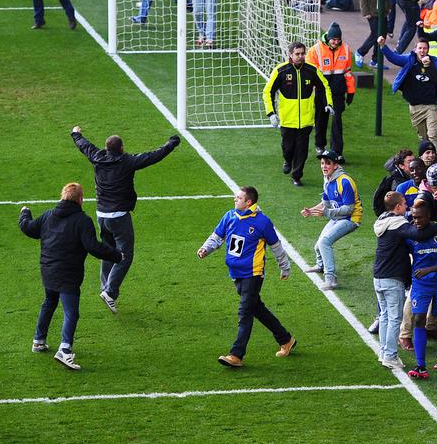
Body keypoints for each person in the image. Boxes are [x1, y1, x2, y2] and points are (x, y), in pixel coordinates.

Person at [70, 125, 180, 312]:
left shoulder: (97, 156)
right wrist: (171, 144)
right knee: (125, 255)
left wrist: (76, 134)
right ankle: (110, 291)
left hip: (101, 214)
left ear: (106, 148)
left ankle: (105, 287)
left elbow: (84, 145)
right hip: (119, 216)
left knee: (108, 251)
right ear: (121, 148)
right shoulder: (127, 161)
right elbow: (153, 156)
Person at [18, 182, 124, 371]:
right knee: (71, 312)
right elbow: (93, 247)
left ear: (63, 197)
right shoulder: (82, 221)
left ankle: (38, 340)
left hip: (48, 271)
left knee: (49, 302)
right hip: (68, 274)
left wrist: (25, 213)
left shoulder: (48, 216)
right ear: (80, 199)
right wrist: (117, 255)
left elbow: (28, 228)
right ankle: (65, 350)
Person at [197, 185, 296, 367]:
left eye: (239, 198)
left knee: (245, 313)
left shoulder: (262, 222)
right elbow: (217, 236)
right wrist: (205, 249)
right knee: (257, 308)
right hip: (236, 273)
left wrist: (285, 268)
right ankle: (286, 339)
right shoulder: (230, 216)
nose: (235, 199)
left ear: (249, 202)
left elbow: (276, 247)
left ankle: (236, 355)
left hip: (253, 274)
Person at [373, 190, 436, 368]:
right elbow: (419, 234)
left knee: (385, 316)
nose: (407, 206)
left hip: (379, 276)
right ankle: (390, 356)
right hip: (392, 278)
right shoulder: (398, 223)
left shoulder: (382, 220)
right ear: (398, 206)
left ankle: (384, 352)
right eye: (404, 204)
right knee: (394, 318)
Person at [263, 41, 332, 186]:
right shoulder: (281, 71)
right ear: (290, 55)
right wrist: (271, 113)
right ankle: (287, 160)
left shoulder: (312, 70)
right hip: (287, 120)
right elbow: (268, 91)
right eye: (297, 54)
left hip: (306, 120)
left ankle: (296, 176)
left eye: (302, 53)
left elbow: (324, 86)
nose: (300, 56)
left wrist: (328, 103)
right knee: (288, 148)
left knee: (302, 150)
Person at [405, 198, 437, 379]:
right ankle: (420, 365)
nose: (416, 221)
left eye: (419, 217)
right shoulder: (411, 234)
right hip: (421, 284)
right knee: (419, 318)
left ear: (428, 216)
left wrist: (429, 269)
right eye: (413, 217)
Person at [380, 35, 437, 153]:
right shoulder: (409, 60)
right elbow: (394, 58)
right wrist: (383, 46)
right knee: (423, 138)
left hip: (431, 106)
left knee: (433, 134)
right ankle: (426, 157)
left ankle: (436, 158)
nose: (422, 51)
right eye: (420, 48)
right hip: (415, 107)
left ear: (428, 50)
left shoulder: (434, 62)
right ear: (415, 49)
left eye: (425, 48)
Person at [302, 149, 361, 290]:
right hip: (337, 217)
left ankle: (331, 279)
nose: (324, 166)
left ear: (335, 165)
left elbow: (349, 209)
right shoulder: (327, 180)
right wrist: (311, 210)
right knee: (318, 246)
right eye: (322, 163)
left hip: (351, 219)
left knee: (325, 242)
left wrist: (327, 213)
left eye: (328, 163)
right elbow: (325, 203)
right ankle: (320, 265)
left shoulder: (344, 181)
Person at [306, 22, 356, 161]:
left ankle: (337, 152)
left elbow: (347, 72)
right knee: (321, 118)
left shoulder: (345, 49)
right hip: (321, 91)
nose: (336, 42)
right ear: (328, 38)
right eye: (333, 39)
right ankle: (320, 146)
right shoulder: (315, 50)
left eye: (338, 39)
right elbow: (310, 73)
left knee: (337, 120)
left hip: (338, 92)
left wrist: (351, 91)